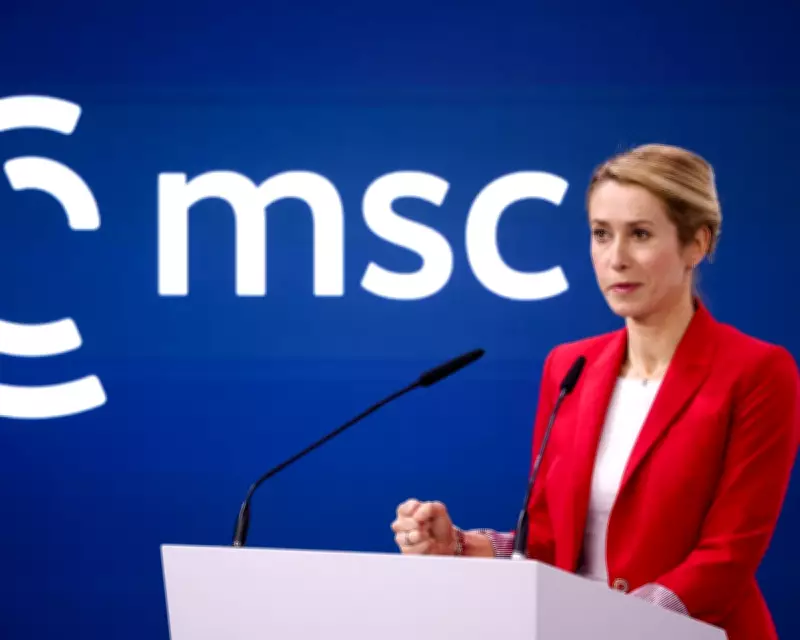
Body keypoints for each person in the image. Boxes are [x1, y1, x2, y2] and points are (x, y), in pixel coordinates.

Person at [390, 143, 800, 640]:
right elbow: (549, 541)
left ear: (697, 244)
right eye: (601, 234)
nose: (615, 258)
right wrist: (459, 545)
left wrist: (615, 620)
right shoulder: (569, 367)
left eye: (640, 234)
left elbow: (728, 553)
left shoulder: (758, 372)